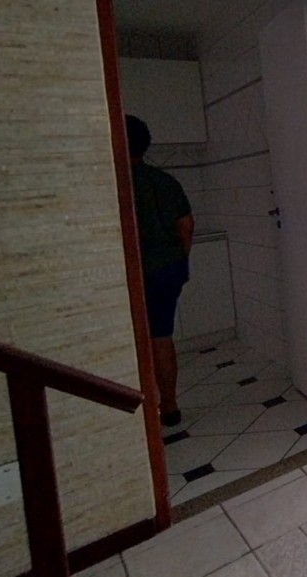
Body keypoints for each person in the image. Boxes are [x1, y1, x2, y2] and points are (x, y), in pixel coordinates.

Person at [125, 115, 194, 428]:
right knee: (161, 336)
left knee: (143, 340)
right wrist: (179, 260)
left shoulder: (118, 183)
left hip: (138, 274)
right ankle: (169, 405)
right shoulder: (164, 181)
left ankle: (146, 410)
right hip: (168, 269)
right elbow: (186, 224)